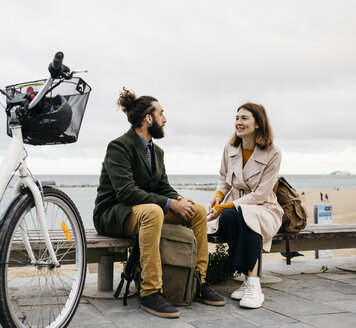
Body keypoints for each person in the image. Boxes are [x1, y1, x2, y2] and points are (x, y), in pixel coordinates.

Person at [93, 88, 225, 319]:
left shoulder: (158, 152)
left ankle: (198, 283)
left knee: (197, 211)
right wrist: (169, 204)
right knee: (154, 211)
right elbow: (125, 192)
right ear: (148, 118)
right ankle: (150, 291)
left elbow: (162, 186)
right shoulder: (119, 146)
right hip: (113, 213)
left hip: (143, 211)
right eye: (161, 114)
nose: (165, 119)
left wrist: (179, 199)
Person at [206, 103, 283, 309]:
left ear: (258, 123)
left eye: (244, 118)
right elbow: (224, 177)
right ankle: (246, 279)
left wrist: (223, 207)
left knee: (247, 216)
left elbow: (260, 194)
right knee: (231, 217)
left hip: (264, 206)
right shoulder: (230, 148)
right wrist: (218, 196)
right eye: (237, 118)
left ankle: (254, 284)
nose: (238, 123)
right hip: (236, 205)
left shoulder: (273, 152)